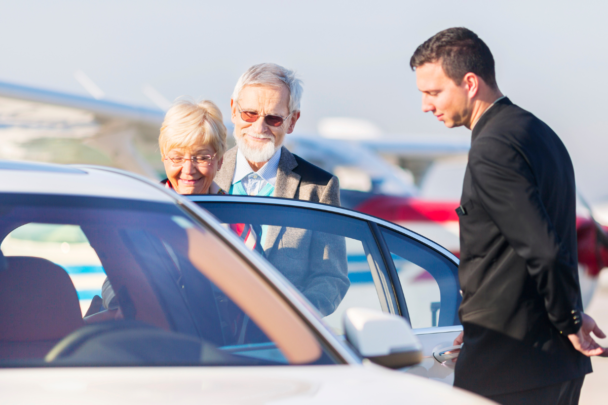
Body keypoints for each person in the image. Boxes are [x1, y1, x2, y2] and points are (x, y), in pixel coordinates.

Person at [410, 27, 606, 404]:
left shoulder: (492, 148)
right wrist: (571, 311)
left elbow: (542, 249)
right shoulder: (537, 131)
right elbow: (516, 252)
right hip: (552, 366)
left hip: (511, 369)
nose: (426, 105)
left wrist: (570, 320)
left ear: (469, 82)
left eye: (433, 92)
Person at [214, 63, 349, 316]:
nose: (259, 128)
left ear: (292, 121)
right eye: (249, 114)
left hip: (283, 346)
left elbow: (331, 278)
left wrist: (294, 318)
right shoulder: (205, 176)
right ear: (233, 110)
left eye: (273, 118)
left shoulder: (318, 187)